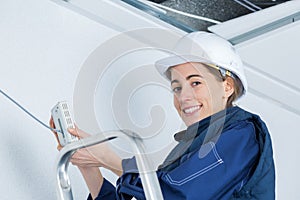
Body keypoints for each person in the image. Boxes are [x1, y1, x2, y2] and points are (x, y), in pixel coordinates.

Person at [50, 31, 275, 199]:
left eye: (195, 82)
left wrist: (107, 158)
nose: (183, 96)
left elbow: (172, 195)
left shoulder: (242, 134)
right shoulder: (188, 154)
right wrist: (89, 166)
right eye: (176, 87)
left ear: (227, 87)